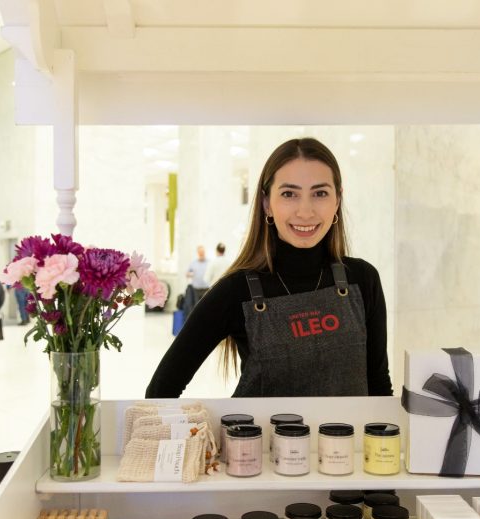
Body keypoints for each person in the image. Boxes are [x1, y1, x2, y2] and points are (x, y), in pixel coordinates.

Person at [146, 137, 392, 398]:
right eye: (289, 194)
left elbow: (378, 384)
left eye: (320, 193)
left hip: (348, 441)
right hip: (258, 441)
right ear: (267, 203)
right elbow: (161, 390)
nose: (305, 211)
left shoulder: (363, 280)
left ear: (338, 200)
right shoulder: (236, 290)